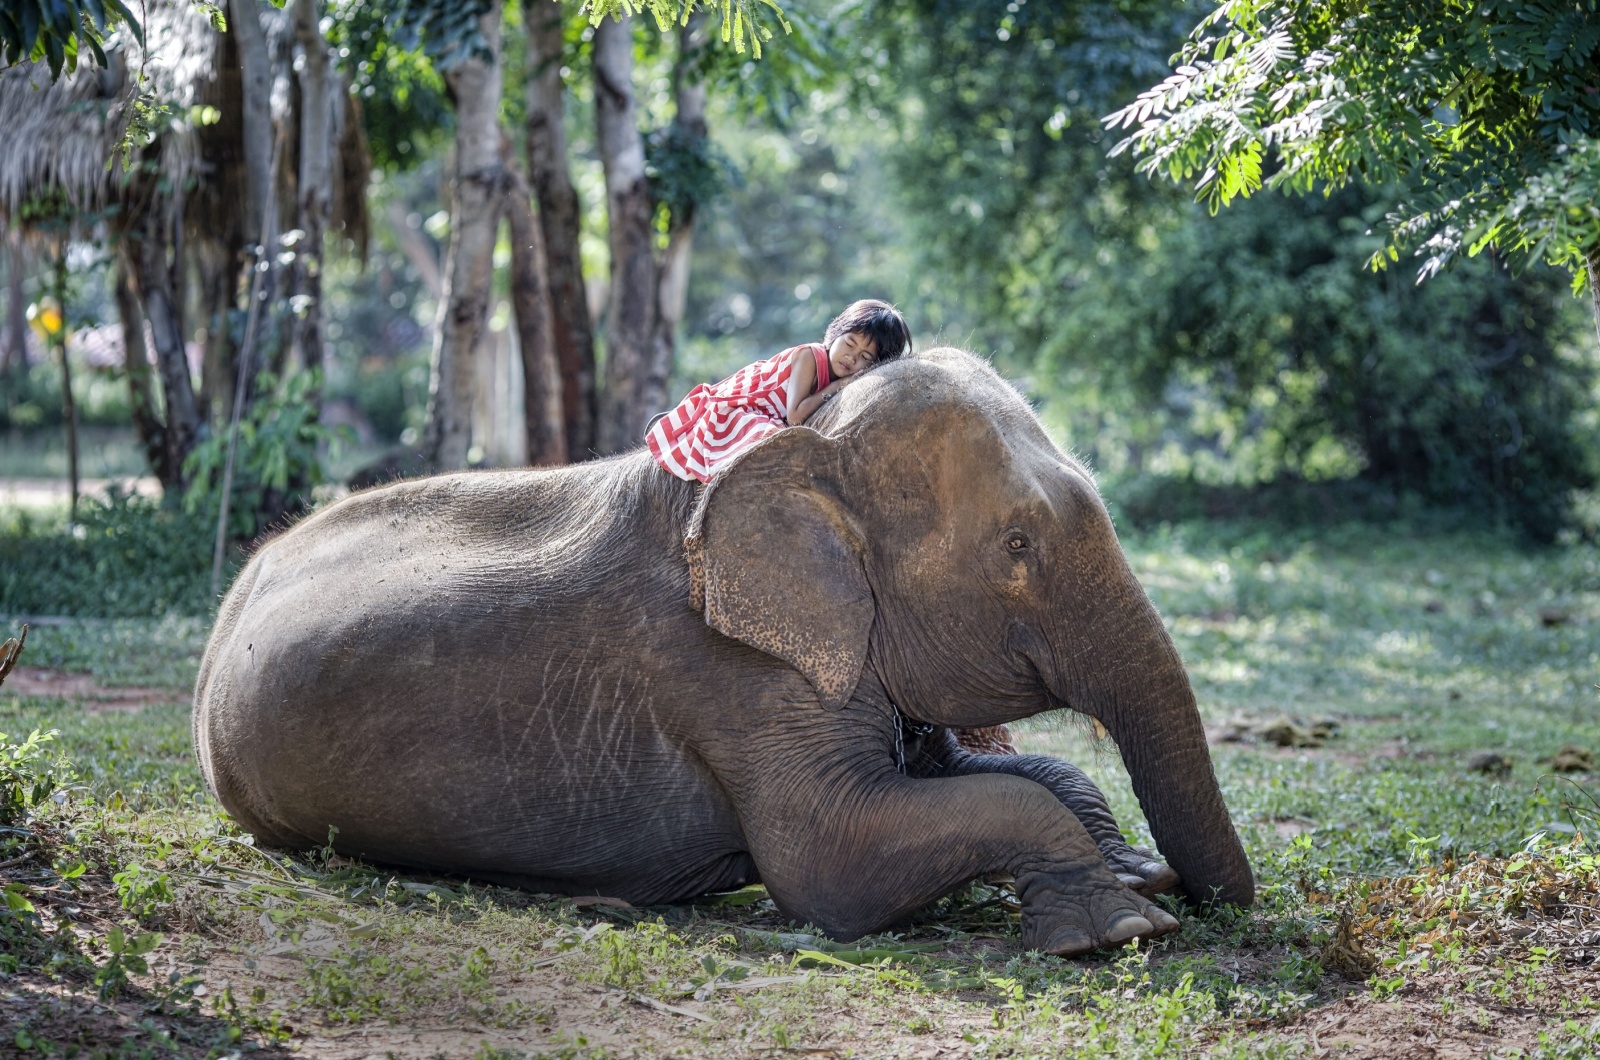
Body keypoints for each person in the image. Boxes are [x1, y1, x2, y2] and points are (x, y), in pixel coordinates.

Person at [647, 299, 912, 483]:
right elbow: (795, 416)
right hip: (740, 409)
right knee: (776, 441)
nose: (851, 357)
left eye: (865, 356)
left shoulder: (840, 376)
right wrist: (836, 387)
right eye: (849, 343)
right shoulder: (811, 356)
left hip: (768, 415)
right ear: (836, 333)